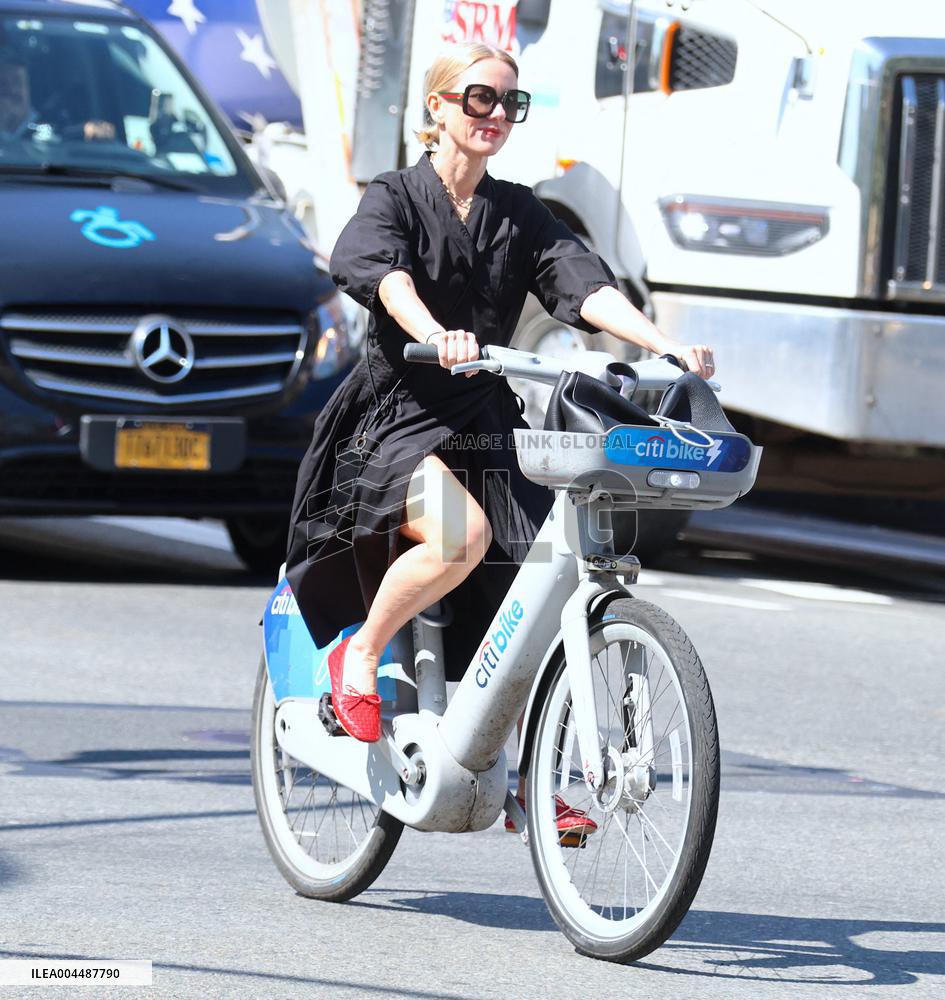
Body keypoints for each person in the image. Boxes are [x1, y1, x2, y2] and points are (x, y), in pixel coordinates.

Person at [284, 43, 715, 835]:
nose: (494, 117)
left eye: (509, 105)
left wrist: (658, 345)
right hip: (394, 418)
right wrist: (432, 332)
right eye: (478, 99)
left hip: (482, 425)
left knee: (533, 585)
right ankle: (361, 652)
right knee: (464, 537)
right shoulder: (395, 196)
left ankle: (517, 774)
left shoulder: (518, 211)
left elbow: (580, 286)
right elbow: (380, 273)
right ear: (437, 110)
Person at [0, 49, 115, 143]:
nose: (12, 90)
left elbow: (76, 133)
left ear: (28, 87)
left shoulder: (55, 124)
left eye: (17, 82)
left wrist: (92, 131)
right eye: (3, 83)